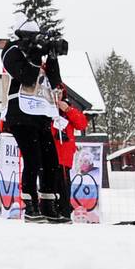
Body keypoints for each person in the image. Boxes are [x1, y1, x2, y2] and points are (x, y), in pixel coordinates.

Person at [2, 16, 68, 223]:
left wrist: (51, 55)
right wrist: (32, 52)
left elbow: (55, 80)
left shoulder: (37, 54)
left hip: (40, 112)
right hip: (20, 114)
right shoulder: (11, 51)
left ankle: (48, 204)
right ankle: (30, 203)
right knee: (33, 159)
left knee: (51, 160)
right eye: (30, 37)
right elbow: (26, 76)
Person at [51, 84, 88, 219]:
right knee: (48, 189)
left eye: (59, 92)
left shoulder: (68, 109)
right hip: (48, 156)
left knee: (64, 189)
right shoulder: (43, 107)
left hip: (64, 159)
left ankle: (65, 213)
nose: (57, 95)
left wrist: (68, 110)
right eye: (54, 92)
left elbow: (82, 124)